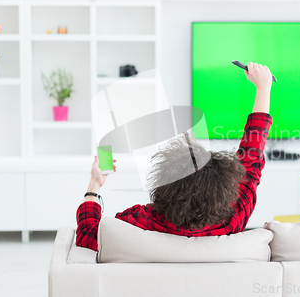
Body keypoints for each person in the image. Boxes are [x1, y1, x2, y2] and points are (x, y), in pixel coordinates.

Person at [76, 62, 273, 251]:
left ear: (163, 185)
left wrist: (94, 185)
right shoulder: (233, 217)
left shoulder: (140, 222)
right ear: (224, 189)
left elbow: (87, 235)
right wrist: (263, 88)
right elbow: (252, 156)